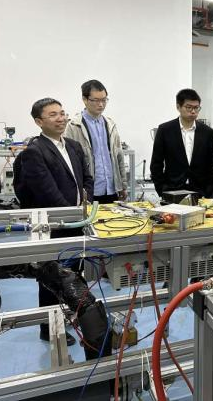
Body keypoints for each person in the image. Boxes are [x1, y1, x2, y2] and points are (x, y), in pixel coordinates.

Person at [14, 97, 93, 346]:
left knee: (74, 274)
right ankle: (48, 327)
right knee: (51, 277)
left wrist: (85, 204)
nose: (61, 118)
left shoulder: (74, 146)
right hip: (54, 226)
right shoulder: (34, 152)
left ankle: (71, 315)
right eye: (53, 115)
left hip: (77, 221)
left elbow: (87, 179)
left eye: (62, 113)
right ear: (39, 122)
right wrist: (70, 216)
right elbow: (47, 192)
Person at [64, 79, 127, 204]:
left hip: (111, 189)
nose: (101, 104)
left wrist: (123, 185)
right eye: (96, 100)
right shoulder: (74, 126)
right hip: (89, 191)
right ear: (85, 99)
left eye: (104, 100)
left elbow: (119, 156)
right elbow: (70, 162)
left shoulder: (110, 125)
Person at [150, 88, 213, 198]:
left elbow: (211, 165)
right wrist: (162, 189)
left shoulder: (207, 132)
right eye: (189, 107)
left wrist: (208, 191)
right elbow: (156, 164)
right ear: (178, 107)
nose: (193, 111)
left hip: (199, 191)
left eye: (196, 108)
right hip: (172, 190)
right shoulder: (165, 130)